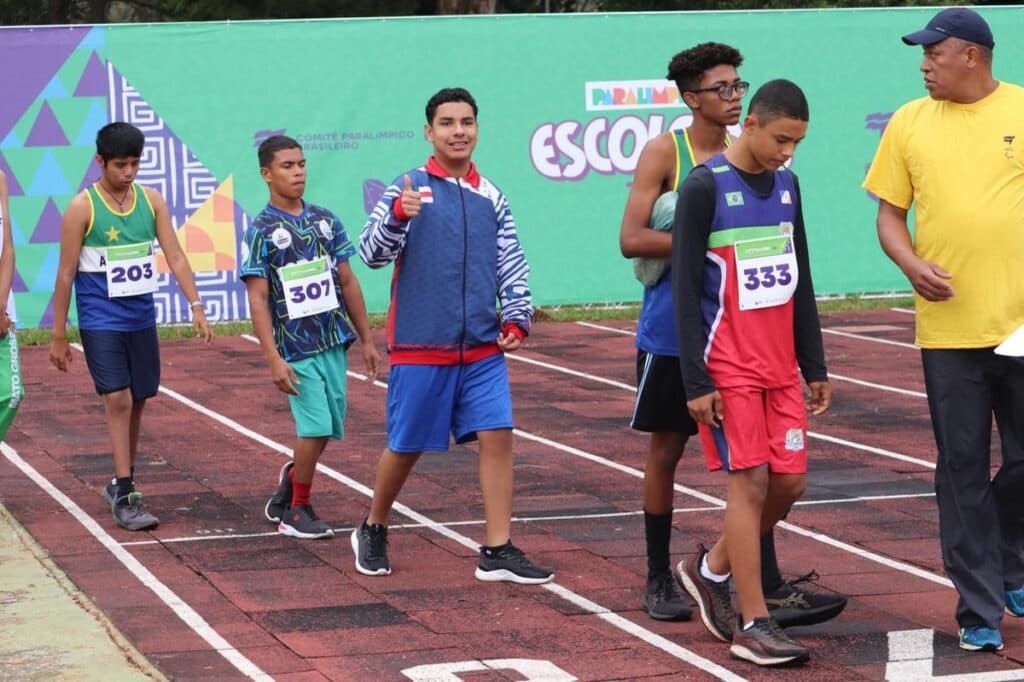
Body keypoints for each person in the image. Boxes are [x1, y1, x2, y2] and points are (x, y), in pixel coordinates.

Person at [619, 42, 846, 627]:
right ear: (692, 97)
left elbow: (794, 268)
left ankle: (753, 582)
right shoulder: (668, 154)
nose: (732, 94)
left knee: (762, 472)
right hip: (678, 331)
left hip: (749, 338)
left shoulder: (767, 161)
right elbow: (631, 239)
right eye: (721, 87)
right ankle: (657, 576)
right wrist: (713, 243)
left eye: (738, 85)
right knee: (669, 451)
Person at [863, 6, 1024, 653]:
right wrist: (908, 263)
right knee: (960, 468)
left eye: (934, 53)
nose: (924, 64)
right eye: (922, 55)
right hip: (947, 332)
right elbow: (889, 216)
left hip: (1021, 327)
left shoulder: (1019, 110)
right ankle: (978, 605)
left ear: (972, 55)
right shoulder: (908, 122)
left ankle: (1012, 562)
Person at [352, 87, 553, 585]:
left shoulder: (493, 196)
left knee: (498, 435)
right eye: (446, 123)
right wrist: (399, 215)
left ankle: (498, 548)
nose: (458, 131)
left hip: (482, 348)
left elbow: (511, 260)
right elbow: (370, 254)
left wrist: (518, 316)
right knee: (406, 445)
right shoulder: (409, 186)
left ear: (477, 128)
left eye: (466, 121)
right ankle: (373, 525)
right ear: (429, 131)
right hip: (422, 346)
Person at [672, 80, 830, 666]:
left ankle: (710, 567)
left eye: (798, 142)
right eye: (781, 138)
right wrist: (696, 382)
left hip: (780, 369)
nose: (788, 152)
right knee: (752, 484)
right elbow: (685, 293)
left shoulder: (788, 185)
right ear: (753, 123)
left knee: (790, 484)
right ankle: (753, 623)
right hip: (727, 367)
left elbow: (801, 276)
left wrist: (813, 363)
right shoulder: (704, 187)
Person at [49, 122, 214, 531]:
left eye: (135, 164)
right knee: (118, 399)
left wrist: (196, 304)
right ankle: (126, 492)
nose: (129, 172)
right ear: (100, 161)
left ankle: (121, 480)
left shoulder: (152, 201)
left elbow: (174, 255)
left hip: (141, 319)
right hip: (99, 320)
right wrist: (59, 334)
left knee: (138, 398)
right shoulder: (81, 208)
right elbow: (66, 273)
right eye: (120, 165)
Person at [240, 135, 380, 539]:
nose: (298, 171)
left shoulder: (326, 220)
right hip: (295, 347)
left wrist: (367, 340)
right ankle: (297, 509)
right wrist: (271, 357)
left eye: (301, 163)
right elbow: (258, 297)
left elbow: (347, 280)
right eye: (287, 166)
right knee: (315, 426)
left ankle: (291, 479)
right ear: (266, 174)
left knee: (329, 427)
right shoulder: (261, 231)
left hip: (333, 340)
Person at [0, 169, 24, 439]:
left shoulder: (1, 178)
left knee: (12, 393)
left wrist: (0, 307)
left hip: (3, 309)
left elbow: (7, 248)